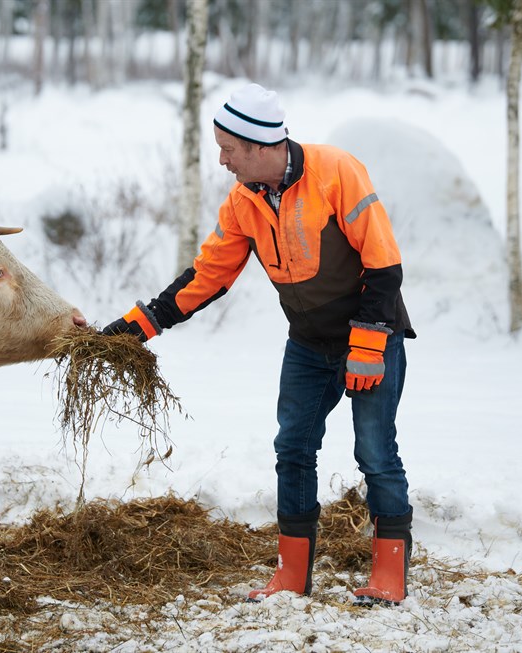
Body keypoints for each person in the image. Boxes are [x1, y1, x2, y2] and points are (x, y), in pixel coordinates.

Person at [103, 84, 416, 605]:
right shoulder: (243, 200)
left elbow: (384, 264)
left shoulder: (337, 171)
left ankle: (389, 573)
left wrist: (369, 342)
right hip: (309, 344)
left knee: (376, 452)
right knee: (292, 448)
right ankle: (291, 573)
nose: (222, 160)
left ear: (259, 145)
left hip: (372, 337)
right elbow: (209, 275)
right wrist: (141, 324)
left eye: (228, 149)